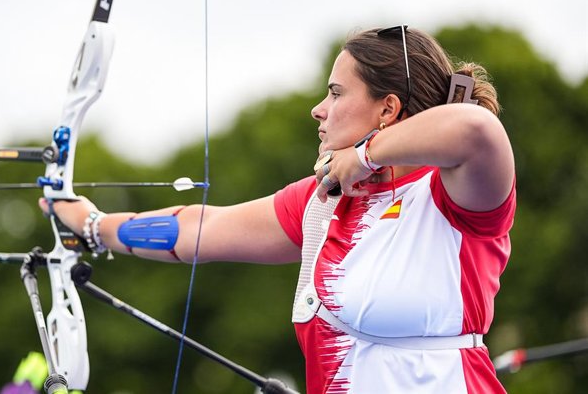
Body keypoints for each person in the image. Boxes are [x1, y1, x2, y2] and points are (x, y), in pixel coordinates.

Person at [39, 25, 516, 394]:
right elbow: (199, 230)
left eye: (335, 92)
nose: (318, 109)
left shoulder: (452, 192)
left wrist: (366, 156)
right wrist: (92, 223)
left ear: (387, 109)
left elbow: (477, 131)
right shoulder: (324, 201)